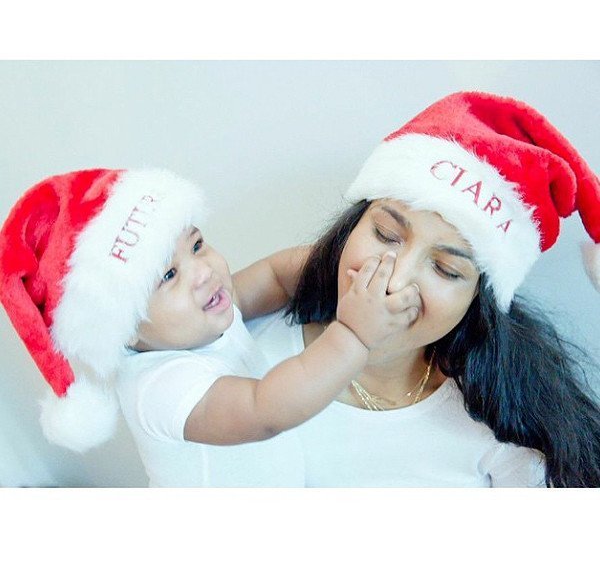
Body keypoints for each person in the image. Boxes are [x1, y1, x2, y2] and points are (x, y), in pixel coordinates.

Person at [247, 91, 600, 488]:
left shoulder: (505, 434)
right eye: (385, 234)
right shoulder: (248, 349)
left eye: (446, 270)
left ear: (478, 300)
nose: (395, 282)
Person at [0, 168, 420, 487]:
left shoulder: (199, 316)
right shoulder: (160, 387)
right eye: (169, 276)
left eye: (197, 246)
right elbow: (265, 409)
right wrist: (354, 333)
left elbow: (275, 277)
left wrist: (344, 265)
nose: (203, 272)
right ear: (123, 327)